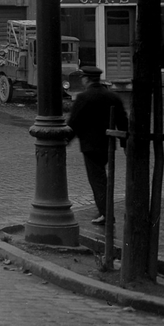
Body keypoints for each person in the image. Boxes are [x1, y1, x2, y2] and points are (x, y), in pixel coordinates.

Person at [67, 66, 128, 225]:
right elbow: (122, 121)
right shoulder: (112, 97)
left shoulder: (83, 97)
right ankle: (105, 211)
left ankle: (106, 214)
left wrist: (66, 140)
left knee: (98, 180)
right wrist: (125, 143)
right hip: (108, 144)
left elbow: (74, 122)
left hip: (90, 146)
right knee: (102, 179)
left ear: (86, 79)